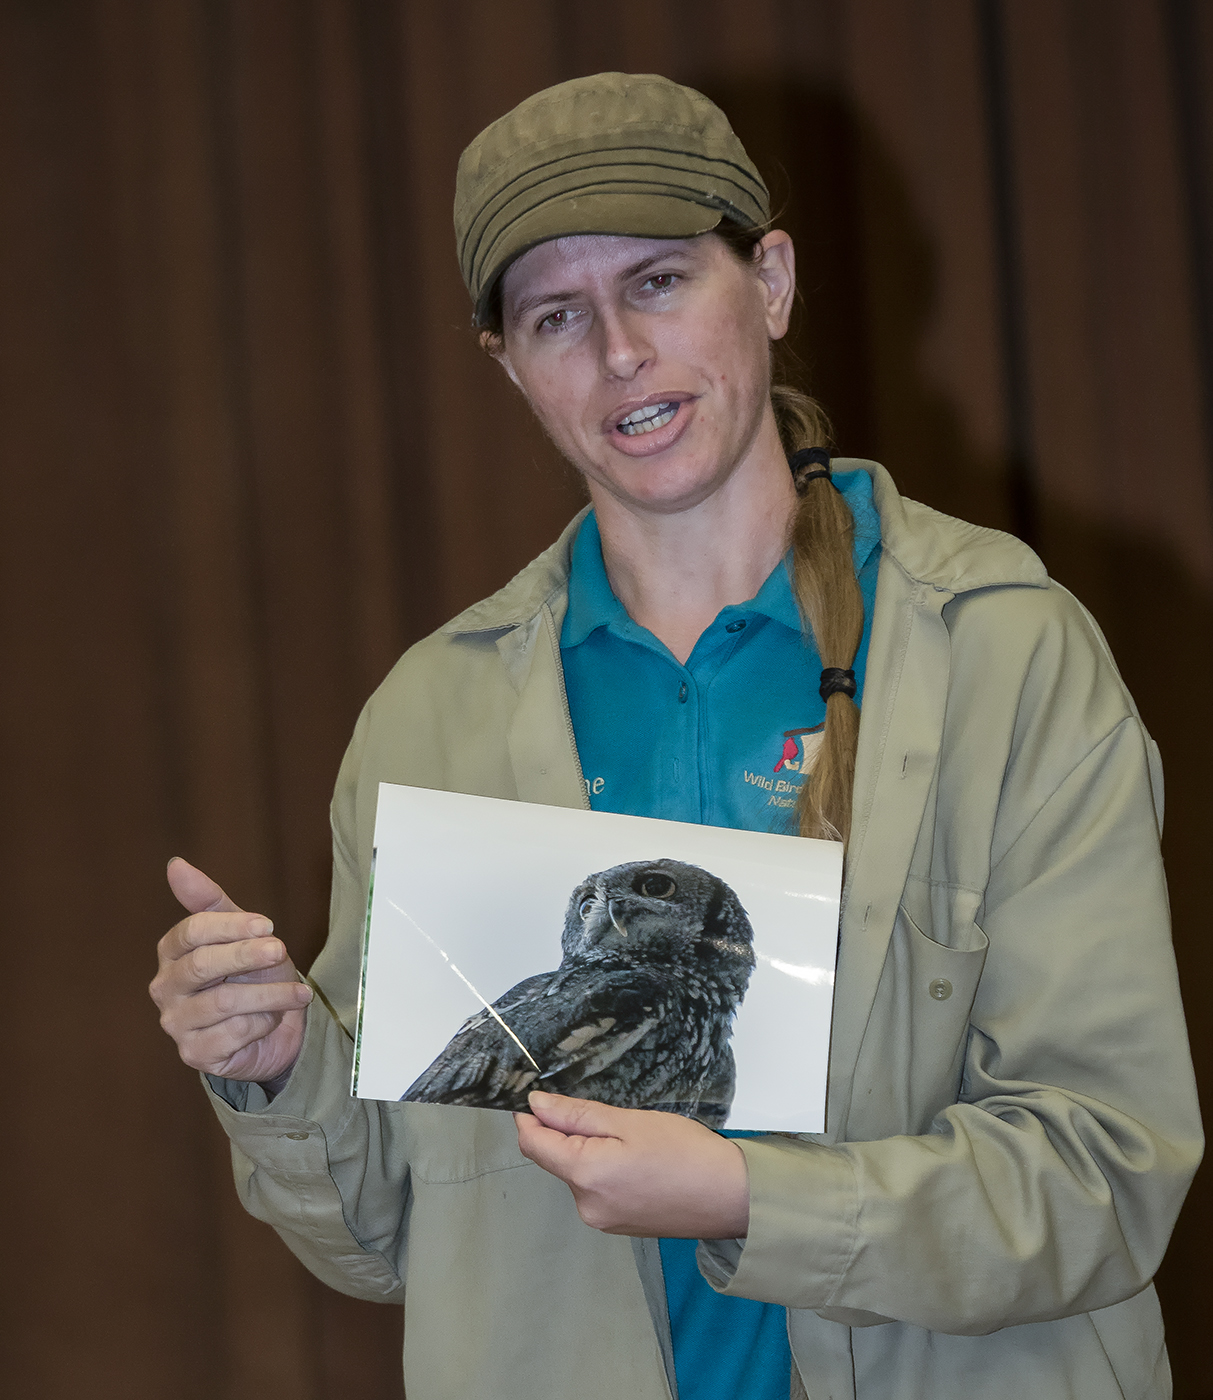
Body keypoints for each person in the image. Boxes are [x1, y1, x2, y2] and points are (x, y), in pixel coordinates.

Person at [149, 72, 1202, 1400]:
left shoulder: (1001, 653)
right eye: (555, 317)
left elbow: (1107, 1173)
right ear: (508, 364)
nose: (618, 355)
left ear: (771, 283)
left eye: (657, 282)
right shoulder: (432, 717)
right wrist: (280, 1067)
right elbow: (390, 1238)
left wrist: (748, 1196)